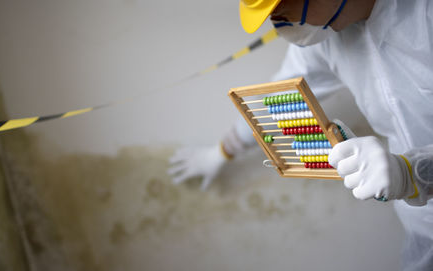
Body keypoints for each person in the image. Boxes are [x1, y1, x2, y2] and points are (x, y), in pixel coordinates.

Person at [168, 0, 433, 270]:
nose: (275, 20)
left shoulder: (424, 15)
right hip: (421, 223)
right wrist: (222, 151)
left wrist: (415, 173)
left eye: (279, 6)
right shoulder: (327, 37)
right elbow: (276, 102)